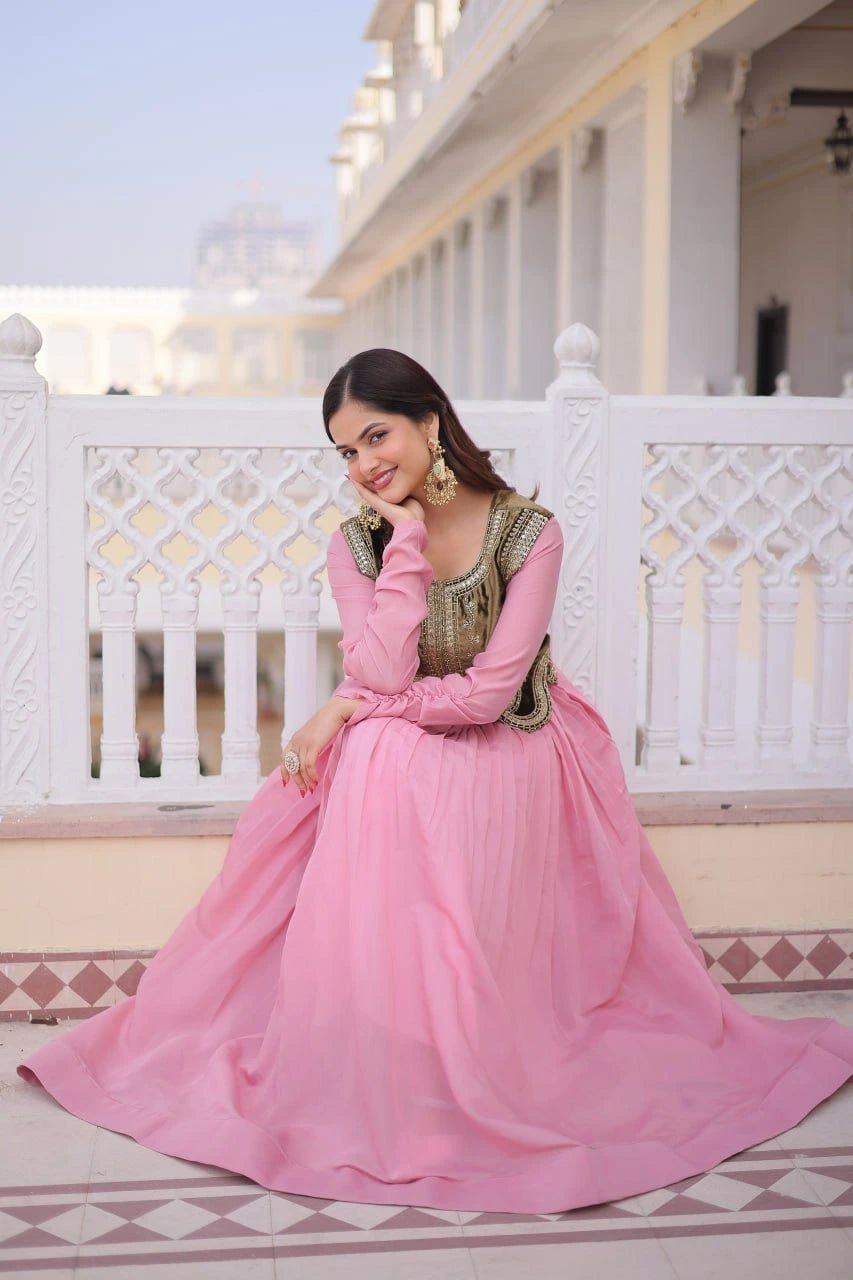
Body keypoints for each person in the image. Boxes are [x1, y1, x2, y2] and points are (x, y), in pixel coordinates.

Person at [17, 349, 853, 1215]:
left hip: (519, 741)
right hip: (414, 731)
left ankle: (463, 1046)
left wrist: (347, 710)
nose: (363, 464)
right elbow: (378, 664)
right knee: (380, 762)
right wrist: (405, 546)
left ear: (428, 421)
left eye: (375, 435)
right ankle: (395, 1043)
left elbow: (491, 693)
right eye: (344, 452)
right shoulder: (360, 544)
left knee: (380, 750)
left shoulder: (528, 531)